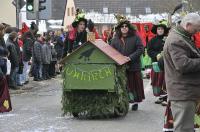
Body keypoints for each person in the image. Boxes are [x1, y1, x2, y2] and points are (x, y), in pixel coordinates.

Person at [163, 13, 200, 132]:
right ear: (188, 25)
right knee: (184, 129)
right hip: (183, 92)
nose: (198, 30)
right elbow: (183, 65)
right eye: (197, 28)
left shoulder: (182, 36)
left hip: (186, 91)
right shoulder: (176, 40)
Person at [111, 14, 144, 111]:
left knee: (134, 85)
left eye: (126, 26)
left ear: (129, 28)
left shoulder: (135, 37)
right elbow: (111, 51)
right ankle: (123, 101)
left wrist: (130, 57)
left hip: (133, 66)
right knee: (123, 85)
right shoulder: (115, 40)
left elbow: (140, 49)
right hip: (120, 66)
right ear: (119, 28)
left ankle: (135, 102)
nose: (124, 28)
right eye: (122, 26)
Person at [147, 20, 169, 105]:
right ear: (156, 30)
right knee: (156, 80)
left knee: (165, 80)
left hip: (166, 64)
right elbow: (149, 51)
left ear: (164, 30)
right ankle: (159, 96)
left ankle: (166, 97)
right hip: (156, 64)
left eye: (162, 29)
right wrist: (156, 55)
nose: (160, 30)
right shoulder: (152, 40)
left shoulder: (167, 39)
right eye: (159, 29)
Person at [0, 24, 12, 113]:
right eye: (2, 30)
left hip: (2, 63)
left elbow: (4, 50)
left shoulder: (2, 39)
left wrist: (6, 52)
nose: (4, 32)